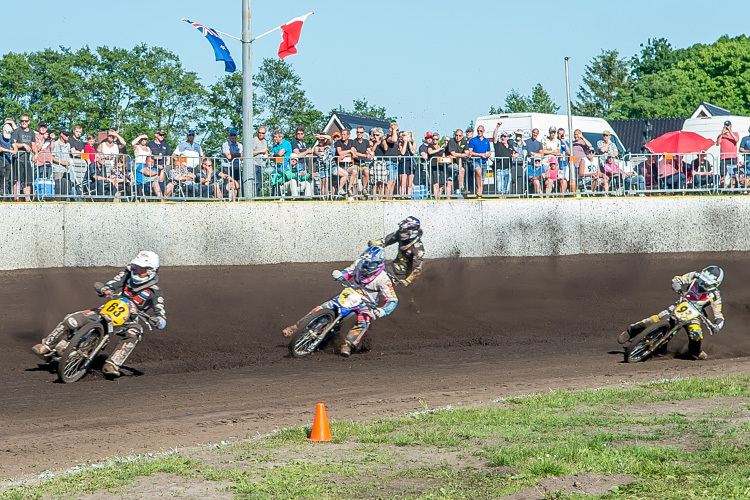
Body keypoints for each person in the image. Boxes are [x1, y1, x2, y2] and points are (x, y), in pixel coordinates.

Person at [32, 251, 167, 377]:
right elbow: (112, 284)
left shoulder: (155, 292)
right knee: (72, 318)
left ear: (151, 271)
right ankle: (47, 345)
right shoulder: (126, 275)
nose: (137, 272)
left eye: (142, 270)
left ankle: (113, 364)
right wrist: (104, 289)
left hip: (128, 320)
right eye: (136, 268)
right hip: (105, 310)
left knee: (135, 332)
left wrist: (157, 320)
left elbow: (161, 316)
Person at [282, 246, 398, 357]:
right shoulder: (358, 263)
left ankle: (348, 344)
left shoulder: (383, 279)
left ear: (378, 264)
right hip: (350, 293)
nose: (366, 265)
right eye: (365, 261)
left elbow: (392, 300)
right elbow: (348, 272)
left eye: (370, 263)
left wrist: (383, 311)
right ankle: (297, 327)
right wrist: (340, 275)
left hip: (366, 303)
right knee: (322, 308)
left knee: (365, 320)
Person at [617, 266, 724, 360]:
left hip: (694, 315)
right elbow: (678, 279)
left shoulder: (715, 296)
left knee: (696, 335)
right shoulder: (694, 276)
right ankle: (631, 331)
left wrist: (717, 325)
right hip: (679, 305)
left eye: (707, 284)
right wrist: (677, 285)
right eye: (702, 281)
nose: (703, 285)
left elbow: (718, 315)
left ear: (715, 285)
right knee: (653, 320)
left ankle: (695, 351)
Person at [368, 216, 424, 287]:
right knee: (372, 271)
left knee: (383, 284)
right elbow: (386, 240)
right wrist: (375, 243)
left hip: (402, 275)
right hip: (392, 266)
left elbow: (417, 270)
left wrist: (407, 281)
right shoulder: (400, 234)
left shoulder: (418, 249)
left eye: (404, 230)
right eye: (401, 229)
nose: (401, 232)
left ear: (412, 232)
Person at [467, 125, 491, 197]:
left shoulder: (486, 141)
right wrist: (480, 155)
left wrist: (487, 155)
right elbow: (470, 152)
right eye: (478, 131)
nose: (479, 132)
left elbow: (489, 152)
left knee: (482, 180)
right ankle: (479, 189)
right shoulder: (473, 140)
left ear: (483, 131)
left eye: (481, 131)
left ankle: (479, 196)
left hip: (484, 161)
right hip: (475, 160)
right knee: (478, 170)